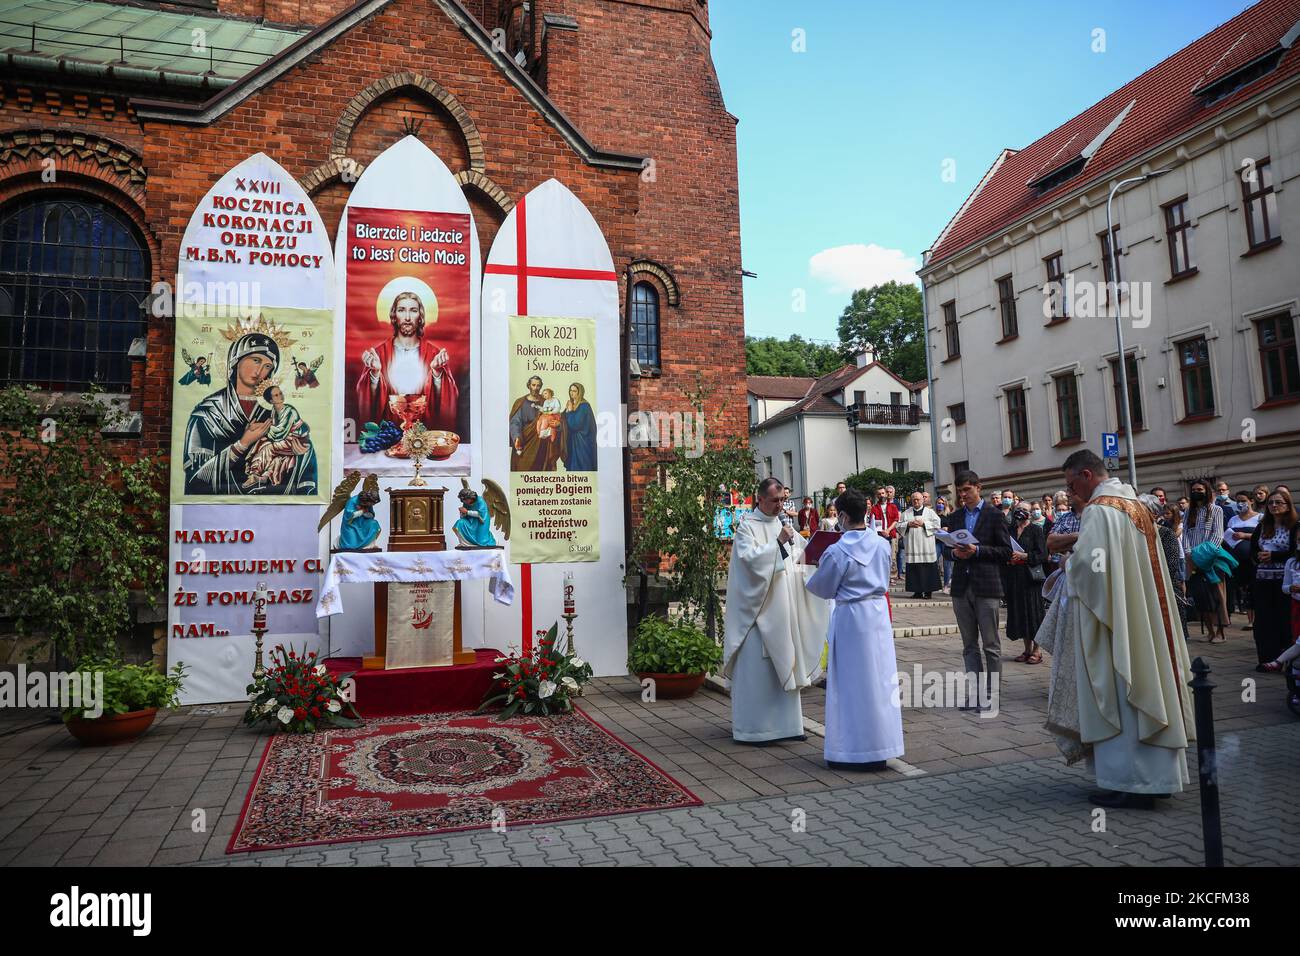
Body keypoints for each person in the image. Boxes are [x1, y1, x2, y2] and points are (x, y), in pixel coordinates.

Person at [1062, 449, 1194, 809]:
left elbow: (1091, 567)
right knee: (1149, 680)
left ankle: (1130, 783)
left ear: (1087, 474)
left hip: (1118, 621)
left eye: (1072, 484)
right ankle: (1158, 778)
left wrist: (1066, 563)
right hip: (1147, 616)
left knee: (1122, 691)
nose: (1072, 492)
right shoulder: (1136, 505)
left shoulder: (1100, 509)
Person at [722, 477, 830, 744]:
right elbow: (749, 564)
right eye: (774, 501)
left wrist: (816, 557)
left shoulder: (785, 527)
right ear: (759, 499)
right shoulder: (747, 527)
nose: (780, 506)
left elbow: (802, 559)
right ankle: (755, 730)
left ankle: (789, 727)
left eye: (783, 500)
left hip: (785, 609)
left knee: (786, 661)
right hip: (758, 613)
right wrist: (779, 544)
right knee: (760, 670)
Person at [805, 489, 903, 771]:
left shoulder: (836, 551)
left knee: (850, 684)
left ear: (844, 516)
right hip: (877, 615)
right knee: (880, 680)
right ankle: (881, 747)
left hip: (850, 617)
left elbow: (822, 588)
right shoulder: (882, 544)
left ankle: (850, 751)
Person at [182, 332, 319, 496]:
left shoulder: (273, 412)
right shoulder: (206, 414)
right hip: (222, 509)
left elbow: (302, 447)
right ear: (236, 360)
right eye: (256, 360)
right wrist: (242, 444)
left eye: (268, 366)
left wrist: (299, 452)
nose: (261, 370)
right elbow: (195, 481)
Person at [943, 470, 1012, 709]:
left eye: (967, 490)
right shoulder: (956, 516)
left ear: (978, 488)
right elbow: (945, 549)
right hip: (962, 586)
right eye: (960, 491)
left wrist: (978, 551)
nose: (963, 495)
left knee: (991, 645)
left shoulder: (994, 515)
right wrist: (953, 552)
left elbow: (1006, 552)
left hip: (987, 586)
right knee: (969, 645)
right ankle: (975, 694)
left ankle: (993, 695)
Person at [356, 290, 459, 431]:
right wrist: (375, 374)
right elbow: (366, 402)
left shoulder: (434, 354)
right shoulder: (379, 354)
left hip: (422, 432)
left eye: (413, 311)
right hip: (389, 431)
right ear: (394, 315)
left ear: (420, 316)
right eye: (401, 310)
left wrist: (437, 373)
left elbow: (448, 400)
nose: (408, 317)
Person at [1249, 489, 1299, 667]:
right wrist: (1258, 556)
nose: (1274, 506)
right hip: (1263, 579)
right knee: (1263, 621)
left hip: (1284, 580)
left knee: (1284, 620)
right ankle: (1266, 659)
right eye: (1271, 503)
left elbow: (1295, 551)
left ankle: (1284, 659)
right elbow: (1253, 548)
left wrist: (1274, 556)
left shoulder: (1294, 526)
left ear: (1287, 505)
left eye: (1279, 502)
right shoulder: (1262, 526)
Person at [241, 385, 312, 490]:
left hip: (297, 441)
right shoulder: (274, 411)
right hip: (286, 439)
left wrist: (259, 426)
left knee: (269, 448)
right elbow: (274, 431)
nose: (280, 396)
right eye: (276, 395)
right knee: (262, 442)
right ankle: (259, 476)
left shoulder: (289, 411)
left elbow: (279, 432)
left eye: (280, 393)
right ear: (271, 400)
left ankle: (254, 473)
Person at [1182, 478, 1227, 642]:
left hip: (1211, 560)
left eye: (1200, 489)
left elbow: (1218, 535)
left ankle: (1220, 632)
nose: (1196, 492)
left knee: (1216, 597)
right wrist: (1189, 553)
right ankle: (1209, 631)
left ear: (1206, 491)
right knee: (1200, 597)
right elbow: (1185, 533)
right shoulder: (1188, 512)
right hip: (1192, 560)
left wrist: (1203, 555)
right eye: (1194, 490)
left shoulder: (1216, 510)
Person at [1005, 506, 1047, 664]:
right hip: (1015, 576)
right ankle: (1027, 649)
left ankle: (1037, 651)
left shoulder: (1036, 530)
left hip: (1031, 578)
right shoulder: (1011, 529)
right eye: (1019, 509)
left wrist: (1025, 555)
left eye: (1024, 509)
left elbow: (1043, 554)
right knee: (1020, 613)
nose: (1020, 511)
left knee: (1034, 613)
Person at [1226, 491, 1261, 629]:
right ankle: (1249, 620)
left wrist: (1245, 535)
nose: (1240, 503)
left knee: (1254, 588)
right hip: (1237, 559)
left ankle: (1257, 619)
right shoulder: (1233, 519)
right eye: (1238, 501)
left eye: (1243, 500)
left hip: (1253, 559)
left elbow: (1263, 536)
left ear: (1251, 501)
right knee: (1244, 589)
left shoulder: (1260, 518)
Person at [902, 491, 941, 598]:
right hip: (912, 548)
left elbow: (937, 525)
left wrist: (924, 524)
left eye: (918, 499)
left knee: (928, 568)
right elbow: (898, 526)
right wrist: (908, 524)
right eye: (914, 499)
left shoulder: (930, 512)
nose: (916, 501)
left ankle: (928, 592)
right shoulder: (906, 513)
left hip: (926, 546)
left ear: (922, 500)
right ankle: (917, 592)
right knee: (914, 569)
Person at [561, 382, 597, 471]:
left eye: (574, 391)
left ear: (579, 392)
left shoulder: (584, 406)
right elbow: (563, 419)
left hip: (582, 443)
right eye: (570, 390)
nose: (571, 393)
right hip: (572, 442)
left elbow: (574, 425)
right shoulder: (572, 404)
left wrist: (569, 411)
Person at [870, 487, 900, 576]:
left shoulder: (893, 506)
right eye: (879, 494)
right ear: (877, 495)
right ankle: (882, 575)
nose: (881, 495)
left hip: (891, 534)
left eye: (883, 493)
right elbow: (873, 521)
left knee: (892, 556)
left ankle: (893, 576)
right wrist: (882, 531)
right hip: (879, 535)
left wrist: (888, 530)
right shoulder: (874, 508)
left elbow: (896, 519)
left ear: (886, 494)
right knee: (880, 556)